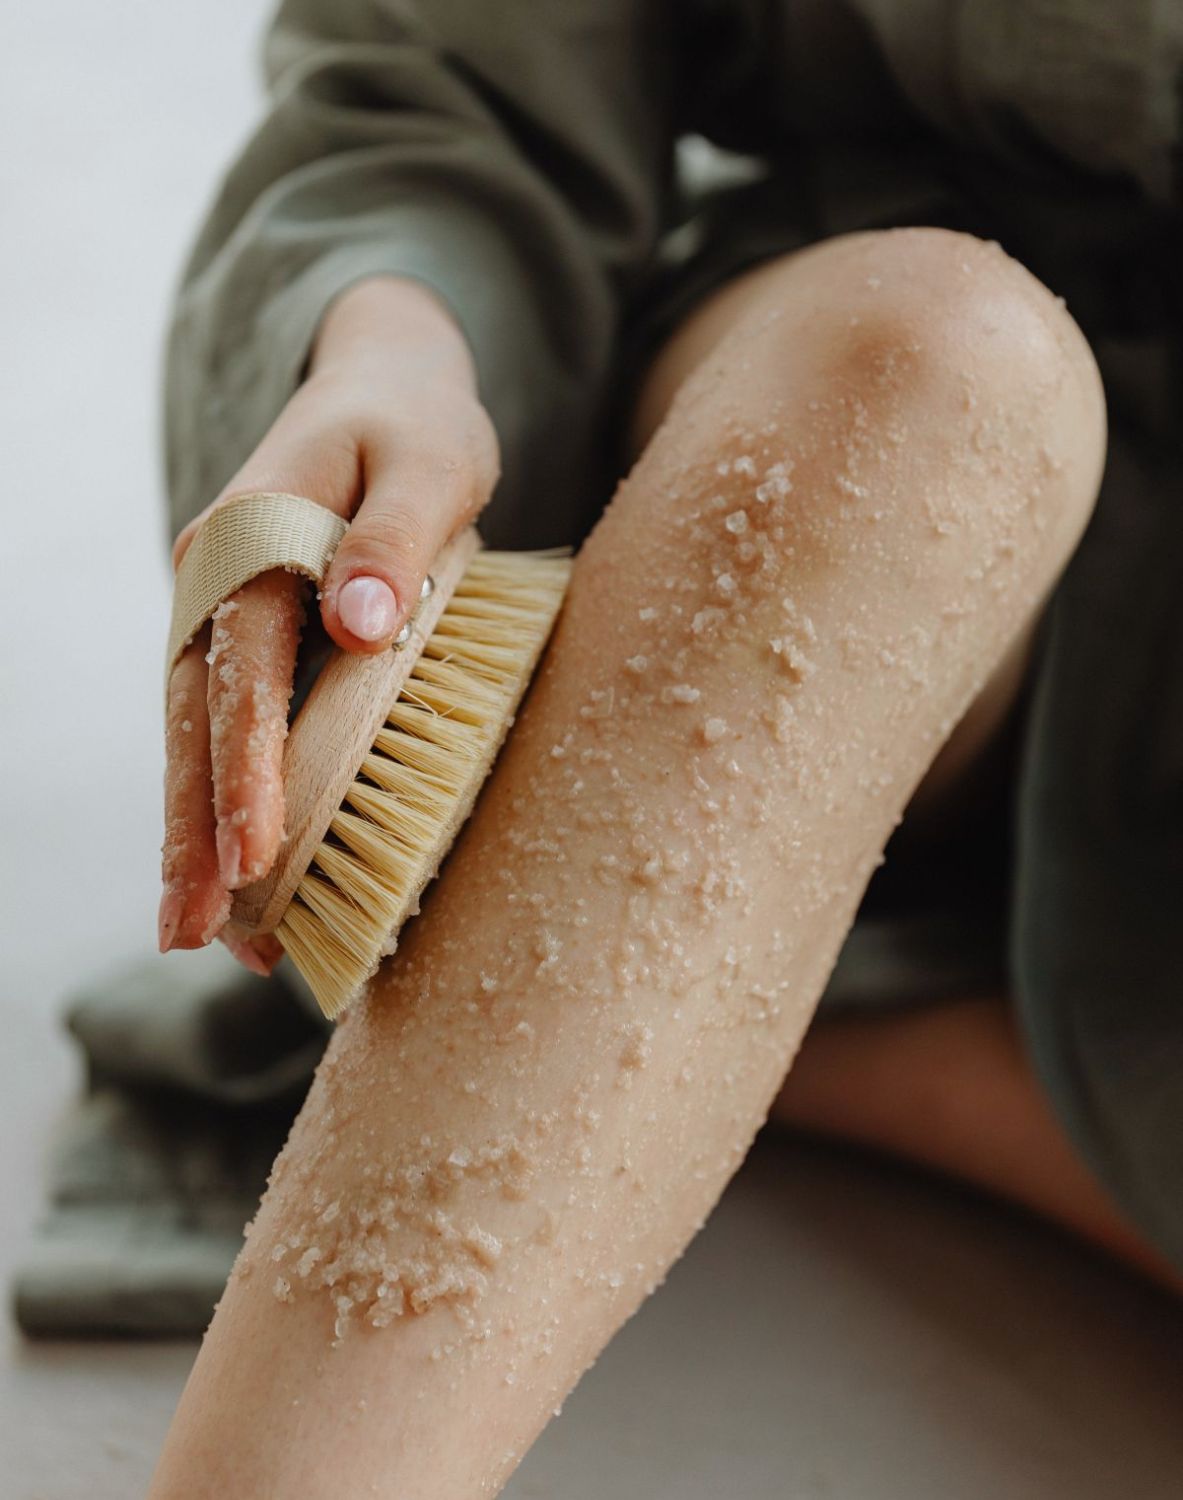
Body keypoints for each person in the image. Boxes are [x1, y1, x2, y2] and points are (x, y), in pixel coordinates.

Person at [149, 2, 1183, 1493]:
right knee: (937, 366)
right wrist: (395, 347)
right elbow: (450, 88)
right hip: (847, 458)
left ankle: (822, 1043)